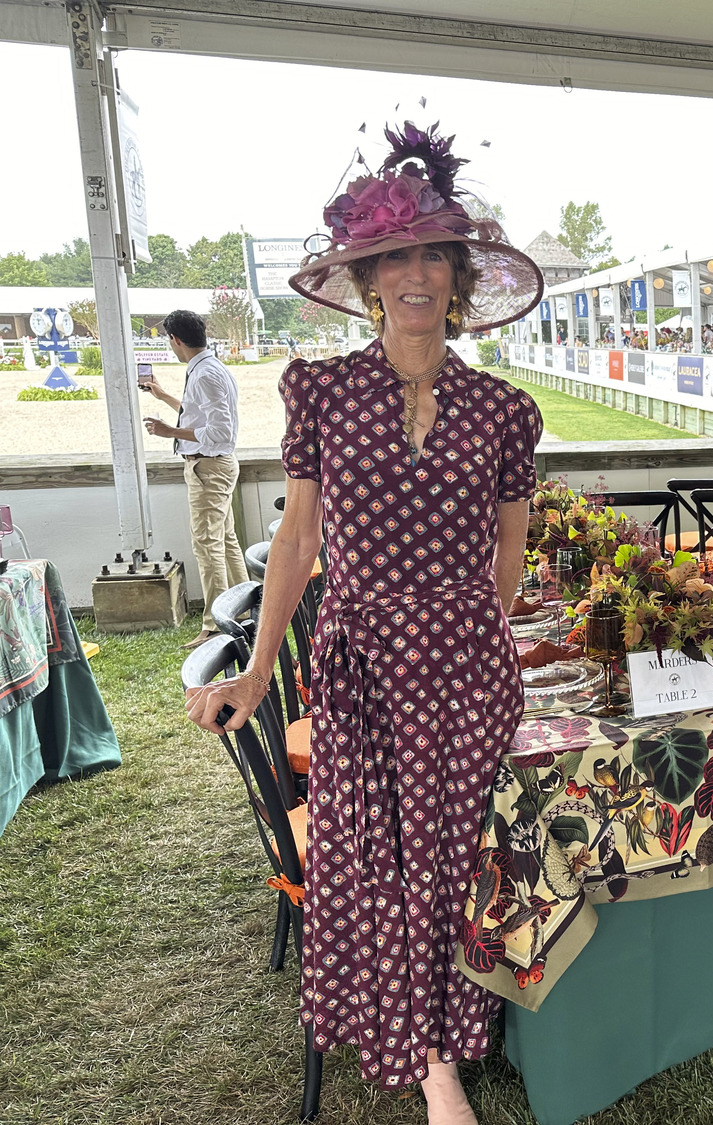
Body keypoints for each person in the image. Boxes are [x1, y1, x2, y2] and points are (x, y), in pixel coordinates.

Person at [185, 123, 544, 1125]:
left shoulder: (505, 413)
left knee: (446, 857)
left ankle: (455, 1026)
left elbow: (509, 556)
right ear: (370, 275)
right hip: (359, 670)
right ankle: (433, 1061)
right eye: (397, 256)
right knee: (378, 860)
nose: (417, 275)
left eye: (435, 254)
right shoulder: (324, 391)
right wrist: (258, 673)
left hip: (466, 672)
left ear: (458, 279)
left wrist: (472, 625)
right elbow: (296, 542)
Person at [141, 309, 248, 650]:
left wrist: (167, 431)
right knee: (225, 541)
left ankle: (215, 625)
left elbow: (219, 431)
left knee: (207, 544)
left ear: (175, 339)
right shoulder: (210, 367)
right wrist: (164, 397)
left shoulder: (204, 375)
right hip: (217, 466)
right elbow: (200, 413)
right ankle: (243, 611)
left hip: (209, 468)